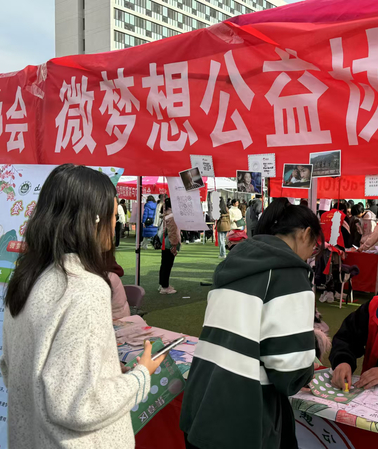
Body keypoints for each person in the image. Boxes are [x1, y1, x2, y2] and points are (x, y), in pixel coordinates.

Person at [0, 164, 165, 449]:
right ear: (93, 219)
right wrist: (141, 375)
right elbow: (80, 405)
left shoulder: (26, 279)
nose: (115, 223)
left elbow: (14, 368)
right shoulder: (84, 287)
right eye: (113, 213)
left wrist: (106, 372)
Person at [180, 198, 323, 449]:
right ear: (306, 234)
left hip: (201, 401)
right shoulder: (290, 273)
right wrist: (309, 361)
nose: (311, 254)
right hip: (243, 416)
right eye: (315, 246)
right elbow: (290, 372)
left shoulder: (235, 260)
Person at [159, 198, 181, 295]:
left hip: (165, 242)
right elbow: (173, 232)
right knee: (167, 265)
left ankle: (163, 284)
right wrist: (174, 245)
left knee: (164, 264)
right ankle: (165, 286)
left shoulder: (165, 215)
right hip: (169, 242)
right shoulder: (172, 217)